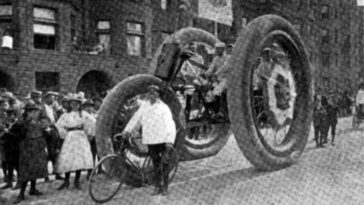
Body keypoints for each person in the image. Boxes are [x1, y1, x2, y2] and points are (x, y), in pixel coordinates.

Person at [120, 85, 176, 196]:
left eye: (154, 93)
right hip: (151, 140)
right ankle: (158, 186)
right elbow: (135, 119)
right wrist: (127, 131)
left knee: (164, 163)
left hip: (163, 139)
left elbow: (170, 124)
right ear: (148, 95)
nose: (152, 95)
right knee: (156, 164)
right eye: (150, 93)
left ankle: (165, 187)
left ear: (158, 95)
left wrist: (169, 140)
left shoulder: (163, 107)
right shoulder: (144, 107)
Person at [55, 93, 96, 190]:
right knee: (68, 158)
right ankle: (66, 181)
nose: (75, 105)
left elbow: (93, 122)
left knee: (79, 158)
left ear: (80, 104)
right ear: (70, 104)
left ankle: (77, 181)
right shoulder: (65, 115)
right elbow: (58, 125)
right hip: (70, 136)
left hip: (80, 136)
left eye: (77, 103)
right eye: (73, 103)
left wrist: (89, 133)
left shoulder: (83, 114)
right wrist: (64, 133)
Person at [12, 103, 48, 204]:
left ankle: (33, 189)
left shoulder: (36, 122)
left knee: (36, 169)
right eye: (34, 112)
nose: (36, 114)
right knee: (26, 170)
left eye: (36, 112)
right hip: (27, 149)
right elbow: (18, 134)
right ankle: (21, 193)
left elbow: (41, 135)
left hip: (37, 148)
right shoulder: (22, 123)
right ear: (28, 112)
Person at [40, 116, 63, 181]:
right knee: (45, 163)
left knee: (55, 162)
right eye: (42, 123)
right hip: (46, 149)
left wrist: (58, 147)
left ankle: (57, 174)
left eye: (44, 122)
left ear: (49, 122)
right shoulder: (41, 131)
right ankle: (46, 177)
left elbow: (57, 139)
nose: (43, 124)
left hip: (53, 148)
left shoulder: (53, 129)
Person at [1, 108, 19, 189]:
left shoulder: (18, 124)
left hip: (15, 148)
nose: (8, 117)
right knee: (9, 166)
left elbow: (18, 136)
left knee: (17, 166)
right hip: (8, 148)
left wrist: (7, 132)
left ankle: (19, 182)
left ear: (14, 115)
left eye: (10, 115)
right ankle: (9, 182)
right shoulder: (8, 124)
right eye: (8, 115)